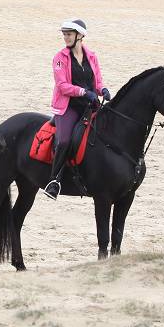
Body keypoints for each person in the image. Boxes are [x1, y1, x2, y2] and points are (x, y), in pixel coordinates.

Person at [43, 19, 110, 200]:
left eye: (69, 34)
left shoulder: (92, 56)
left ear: (80, 36)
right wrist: (84, 92)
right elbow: (62, 85)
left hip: (90, 105)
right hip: (68, 107)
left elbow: (97, 81)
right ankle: (54, 181)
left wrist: (103, 90)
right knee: (65, 140)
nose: (65, 37)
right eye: (64, 34)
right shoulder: (60, 58)